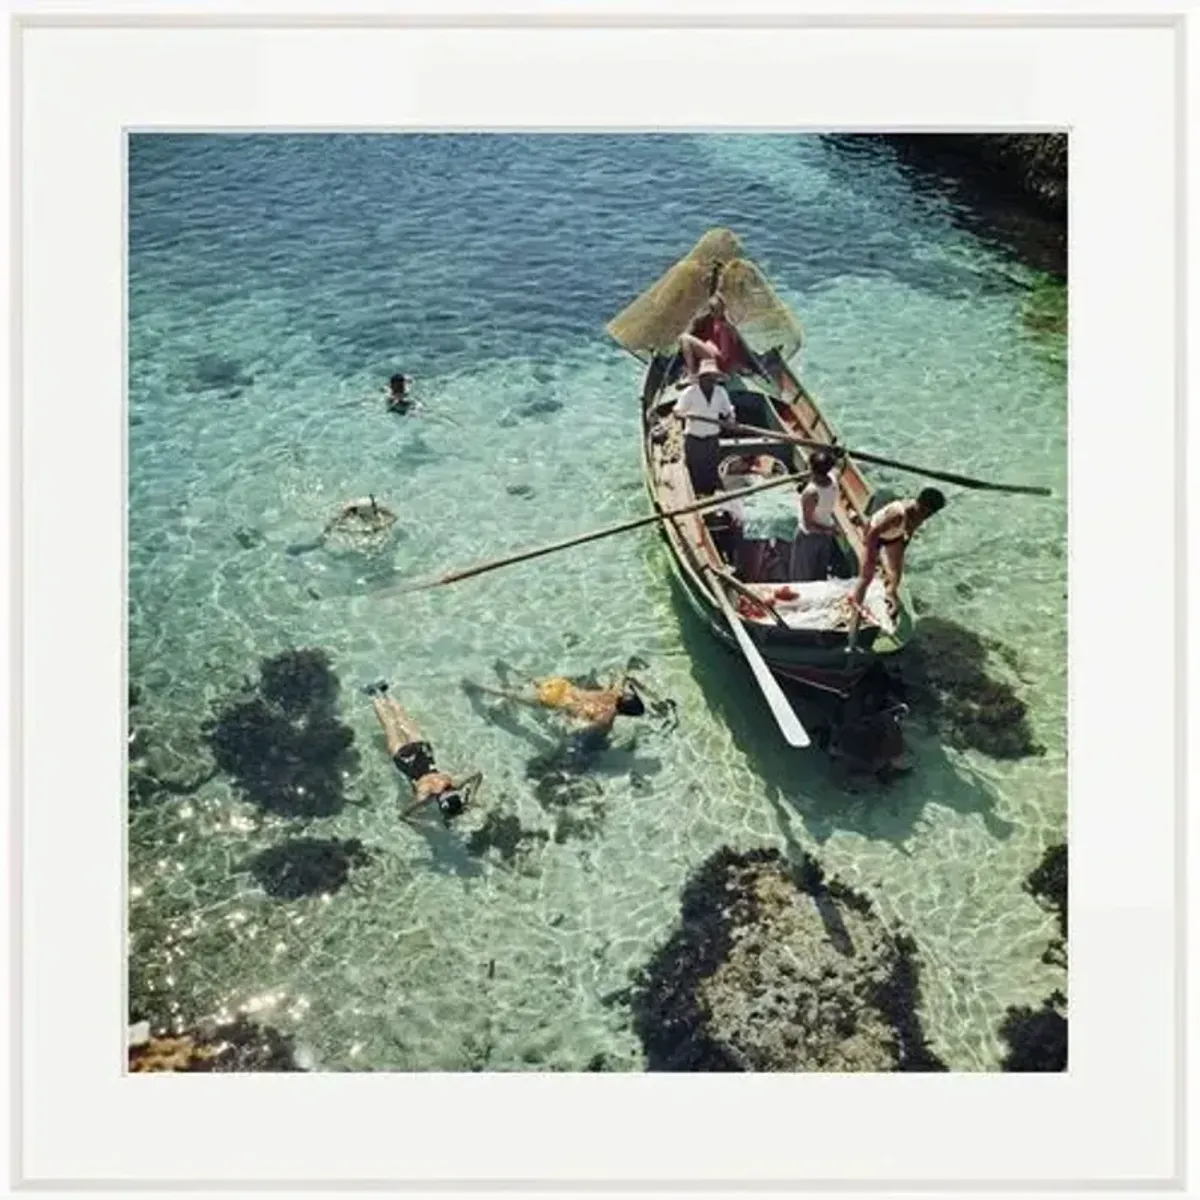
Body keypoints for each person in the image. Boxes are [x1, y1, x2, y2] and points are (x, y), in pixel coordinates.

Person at [364, 681, 481, 825]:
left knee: (403, 719)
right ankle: (373, 695)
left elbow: (477, 774)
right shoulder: (425, 797)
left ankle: (385, 692)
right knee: (389, 725)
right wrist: (428, 823)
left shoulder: (453, 783)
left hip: (422, 751)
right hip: (405, 759)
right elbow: (404, 815)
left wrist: (472, 797)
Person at [464, 669, 654, 754]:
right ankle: (475, 686)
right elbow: (580, 730)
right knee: (511, 695)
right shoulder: (606, 720)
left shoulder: (615, 693)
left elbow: (621, 674)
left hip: (561, 686)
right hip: (554, 700)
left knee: (532, 681)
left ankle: (507, 669)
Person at [849, 487, 947, 619]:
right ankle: (855, 603)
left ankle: (890, 592)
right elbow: (873, 534)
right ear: (918, 503)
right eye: (923, 511)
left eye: (929, 514)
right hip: (875, 535)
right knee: (867, 575)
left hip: (895, 536)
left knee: (897, 572)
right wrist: (871, 555)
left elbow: (910, 531)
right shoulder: (898, 514)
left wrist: (900, 552)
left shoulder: (920, 514)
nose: (924, 516)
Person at [673, 358, 735, 495]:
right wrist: (686, 416)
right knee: (694, 473)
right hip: (694, 440)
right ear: (700, 379)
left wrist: (730, 419)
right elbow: (676, 412)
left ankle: (712, 496)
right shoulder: (690, 392)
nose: (710, 382)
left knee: (712, 471)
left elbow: (728, 411)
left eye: (712, 379)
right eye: (707, 378)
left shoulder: (720, 392)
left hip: (712, 441)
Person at [790, 448, 852, 582]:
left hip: (809, 538)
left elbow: (809, 525)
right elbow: (841, 465)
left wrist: (829, 530)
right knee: (819, 572)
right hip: (826, 536)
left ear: (812, 469)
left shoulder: (811, 493)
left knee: (801, 576)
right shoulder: (834, 478)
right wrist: (840, 454)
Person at [683, 293, 747, 378]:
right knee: (701, 341)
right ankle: (693, 369)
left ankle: (692, 374)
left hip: (721, 363)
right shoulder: (720, 321)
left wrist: (709, 346)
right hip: (719, 359)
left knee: (684, 338)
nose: (713, 313)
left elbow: (725, 355)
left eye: (715, 310)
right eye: (712, 310)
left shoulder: (724, 326)